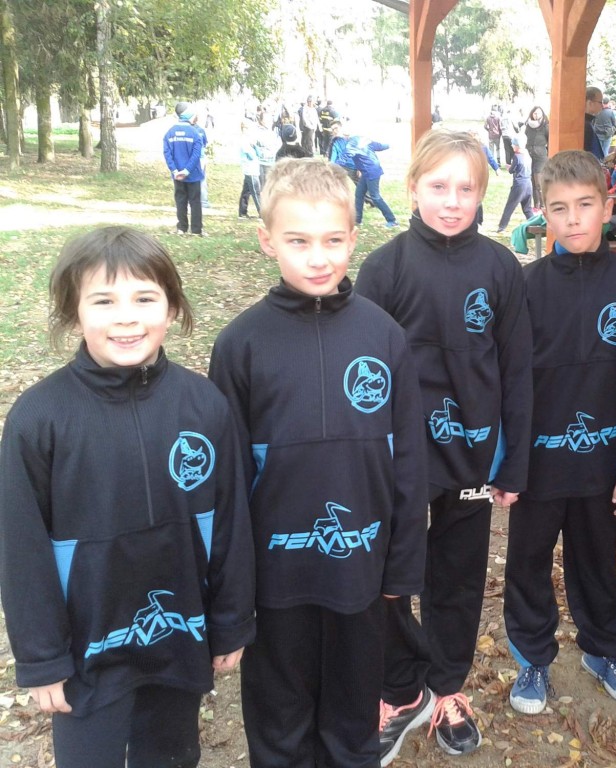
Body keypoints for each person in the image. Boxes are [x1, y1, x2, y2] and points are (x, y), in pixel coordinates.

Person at [0, 226, 256, 768]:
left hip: (178, 637)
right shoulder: (40, 419)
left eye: (144, 298)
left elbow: (231, 521)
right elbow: (21, 551)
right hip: (87, 652)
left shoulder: (204, 405)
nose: (126, 318)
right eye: (103, 301)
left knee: (171, 755)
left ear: (172, 307)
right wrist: (42, 658)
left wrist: (231, 619)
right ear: (73, 313)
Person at [208, 159, 427, 768]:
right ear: (267, 240)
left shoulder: (384, 336)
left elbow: (409, 462)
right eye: (298, 241)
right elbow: (226, 485)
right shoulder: (241, 344)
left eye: (332, 240)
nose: (317, 258)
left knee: (352, 720)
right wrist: (234, 591)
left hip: (362, 573)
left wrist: (402, 567)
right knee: (280, 721)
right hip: (275, 582)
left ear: (354, 238)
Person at [354, 130, 533, 764]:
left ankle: (447, 688)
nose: (452, 201)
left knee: (456, 576)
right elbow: (360, 375)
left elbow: (517, 370)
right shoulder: (384, 268)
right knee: (389, 577)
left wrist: (514, 461)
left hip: (472, 455)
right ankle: (401, 690)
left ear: (483, 194)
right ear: (412, 189)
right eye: (438, 186)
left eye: (466, 188)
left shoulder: (501, 268)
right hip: (399, 460)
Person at [503, 149, 616, 716]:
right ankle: (532, 658)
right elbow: (509, 383)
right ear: (543, 213)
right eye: (559, 208)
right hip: (538, 464)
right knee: (528, 561)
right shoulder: (524, 287)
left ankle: (602, 650)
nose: (573, 219)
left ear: (607, 207)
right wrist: (507, 463)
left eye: (585, 205)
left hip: (604, 463)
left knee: (597, 560)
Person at [162, 102, 206, 236]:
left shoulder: (169, 133)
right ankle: (196, 230)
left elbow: (167, 153)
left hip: (177, 176)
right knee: (195, 201)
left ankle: (181, 228)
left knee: (180, 201)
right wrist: (187, 170)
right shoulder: (195, 133)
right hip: (193, 175)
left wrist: (175, 170)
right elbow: (196, 154)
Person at [349, 133, 400, 228]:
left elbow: (380, 146)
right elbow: (380, 146)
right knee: (359, 194)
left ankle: (392, 220)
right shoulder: (363, 142)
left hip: (372, 172)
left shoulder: (353, 145)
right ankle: (357, 220)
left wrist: (391, 144)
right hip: (366, 172)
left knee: (375, 197)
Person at [495, 135, 533, 234]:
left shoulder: (517, 156)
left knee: (510, 206)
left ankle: (502, 227)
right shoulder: (527, 154)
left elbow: (511, 170)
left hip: (519, 185)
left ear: (517, 145)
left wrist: (508, 167)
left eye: (513, 144)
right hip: (528, 183)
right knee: (527, 208)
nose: (512, 146)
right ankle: (535, 225)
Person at [524, 106, 549, 210]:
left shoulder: (545, 126)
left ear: (542, 114)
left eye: (538, 113)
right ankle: (536, 204)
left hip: (541, 156)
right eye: (534, 113)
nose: (536, 115)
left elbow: (550, 140)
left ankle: (543, 205)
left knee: (538, 181)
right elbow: (525, 137)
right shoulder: (528, 126)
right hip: (529, 155)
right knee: (532, 181)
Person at [238, 120, 262, 219]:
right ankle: (262, 212)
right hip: (250, 169)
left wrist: (255, 146)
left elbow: (259, 154)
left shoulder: (251, 140)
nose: (247, 130)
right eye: (245, 128)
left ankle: (242, 212)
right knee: (256, 192)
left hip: (254, 168)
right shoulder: (243, 140)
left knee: (246, 191)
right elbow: (251, 155)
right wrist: (253, 147)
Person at [584, 87, 606, 161]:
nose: (602, 106)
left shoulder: (587, 123)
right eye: (600, 102)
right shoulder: (585, 126)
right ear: (590, 103)